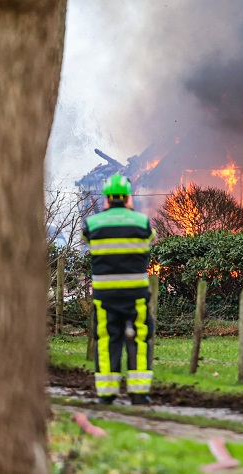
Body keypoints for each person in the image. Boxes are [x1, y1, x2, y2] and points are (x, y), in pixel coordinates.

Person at [82, 173, 156, 405]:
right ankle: (139, 394)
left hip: (105, 296)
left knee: (106, 339)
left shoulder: (92, 224)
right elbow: (151, 239)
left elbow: (86, 240)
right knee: (140, 339)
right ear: (128, 198)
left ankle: (106, 394)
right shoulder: (141, 223)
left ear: (106, 199)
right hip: (136, 295)